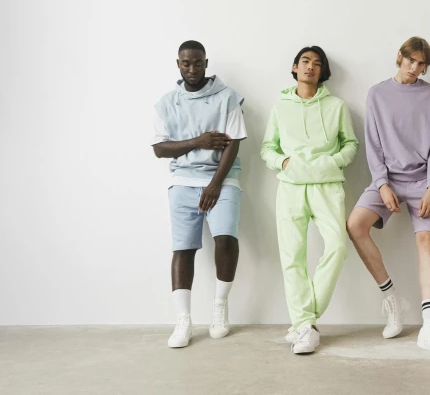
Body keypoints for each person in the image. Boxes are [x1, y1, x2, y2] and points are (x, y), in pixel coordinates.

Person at [346, 37, 430, 357]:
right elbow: (374, 144)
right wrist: (381, 184)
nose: (417, 69)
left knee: (427, 243)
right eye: (412, 62)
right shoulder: (377, 94)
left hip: (423, 180)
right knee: (355, 225)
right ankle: (393, 301)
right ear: (400, 57)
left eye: (423, 65)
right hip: (388, 180)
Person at [261, 46, 359, 354]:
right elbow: (267, 149)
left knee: (338, 247)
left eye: (317, 64)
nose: (310, 67)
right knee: (292, 256)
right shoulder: (279, 108)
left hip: (327, 185)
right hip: (290, 186)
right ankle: (306, 326)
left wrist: (332, 163)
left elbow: (351, 145)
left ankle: (304, 321)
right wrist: (284, 163)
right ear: (294, 67)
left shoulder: (338, 106)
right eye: (305, 61)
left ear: (322, 71)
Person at [152, 40, 247, 348]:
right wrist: (199, 141)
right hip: (182, 181)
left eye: (197, 63)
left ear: (206, 62)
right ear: (177, 64)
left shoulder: (228, 97)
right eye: (185, 64)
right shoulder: (167, 103)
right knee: (183, 248)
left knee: (226, 239)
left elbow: (234, 143)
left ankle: (220, 307)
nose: (191, 69)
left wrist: (215, 184)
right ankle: (183, 320)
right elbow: (159, 149)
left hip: (222, 179)